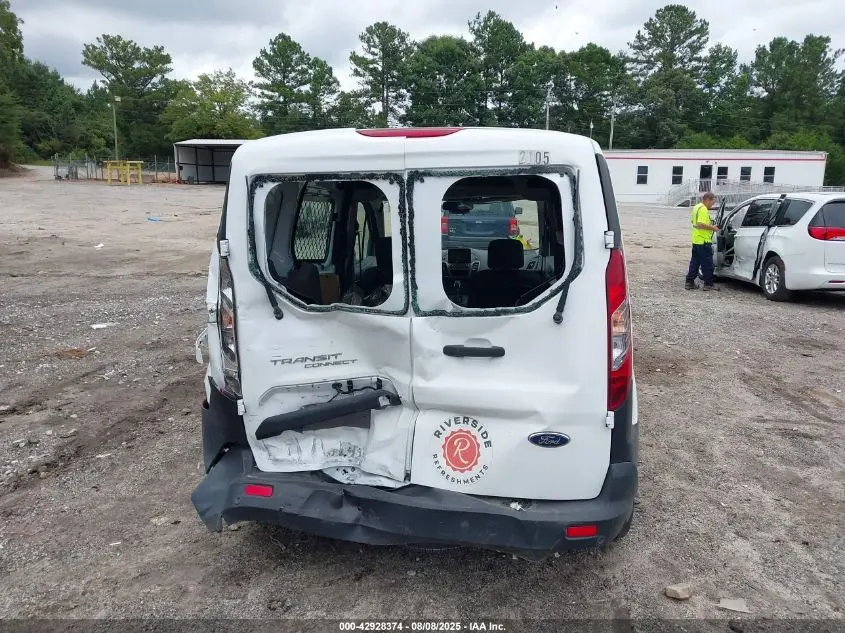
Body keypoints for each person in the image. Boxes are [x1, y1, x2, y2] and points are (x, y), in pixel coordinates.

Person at [685, 192, 720, 291]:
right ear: (708, 199)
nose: (712, 204)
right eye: (712, 202)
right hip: (703, 241)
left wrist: (708, 224)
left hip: (696, 240)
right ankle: (708, 284)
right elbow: (700, 224)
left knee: (695, 262)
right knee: (708, 264)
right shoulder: (703, 209)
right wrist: (712, 227)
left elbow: (694, 222)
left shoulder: (697, 207)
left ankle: (689, 282)